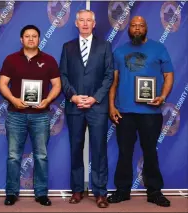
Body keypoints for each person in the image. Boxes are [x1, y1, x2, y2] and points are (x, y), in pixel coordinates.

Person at [107, 16, 173, 207]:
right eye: (133, 26)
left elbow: (168, 75)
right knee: (125, 152)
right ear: (129, 29)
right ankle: (122, 190)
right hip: (124, 112)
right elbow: (114, 81)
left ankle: (154, 191)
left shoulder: (159, 48)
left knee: (150, 151)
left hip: (151, 112)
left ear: (146, 28)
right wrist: (111, 106)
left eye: (140, 26)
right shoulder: (119, 51)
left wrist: (162, 97)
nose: (137, 28)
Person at [0, 25, 61, 206]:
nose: (31, 39)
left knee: (41, 155)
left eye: (34, 36)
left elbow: (57, 85)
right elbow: (3, 84)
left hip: (41, 115)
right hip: (15, 114)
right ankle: (11, 192)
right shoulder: (11, 60)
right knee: (13, 156)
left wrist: (48, 100)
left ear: (39, 39)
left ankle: (41, 193)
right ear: (21, 39)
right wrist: (13, 99)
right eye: (27, 36)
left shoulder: (49, 60)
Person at [59, 10, 114, 208]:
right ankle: (76, 190)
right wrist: (73, 96)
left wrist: (95, 98)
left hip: (97, 107)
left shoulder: (105, 46)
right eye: (81, 20)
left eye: (88, 20)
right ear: (76, 23)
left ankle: (100, 192)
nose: (85, 23)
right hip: (74, 106)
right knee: (75, 149)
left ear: (94, 23)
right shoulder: (68, 47)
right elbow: (63, 75)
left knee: (99, 150)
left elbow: (109, 76)